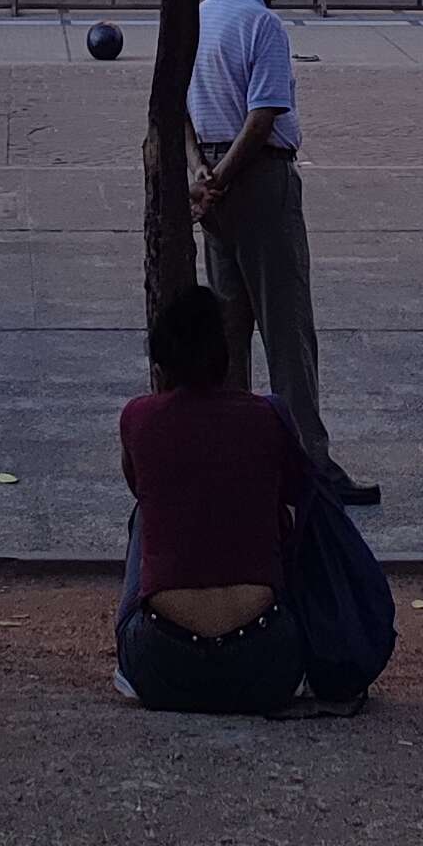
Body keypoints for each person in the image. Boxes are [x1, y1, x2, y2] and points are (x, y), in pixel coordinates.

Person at [187, 0, 379, 505]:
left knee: (229, 328)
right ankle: (308, 463)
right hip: (259, 179)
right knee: (287, 329)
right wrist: (224, 175)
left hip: (213, 184)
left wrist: (202, 174)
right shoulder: (262, 24)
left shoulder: (198, 16)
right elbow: (264, 113)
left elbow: (176, 104)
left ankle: (232, 455)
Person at [113, 280, 314, 715]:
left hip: (163, 663)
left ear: (162, 360)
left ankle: (135, 663)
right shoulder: (268, 416)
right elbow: (298, 491)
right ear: (225, 355)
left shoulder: (139, 419)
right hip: (265, 661)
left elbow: (139, 488)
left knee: (145, 514)